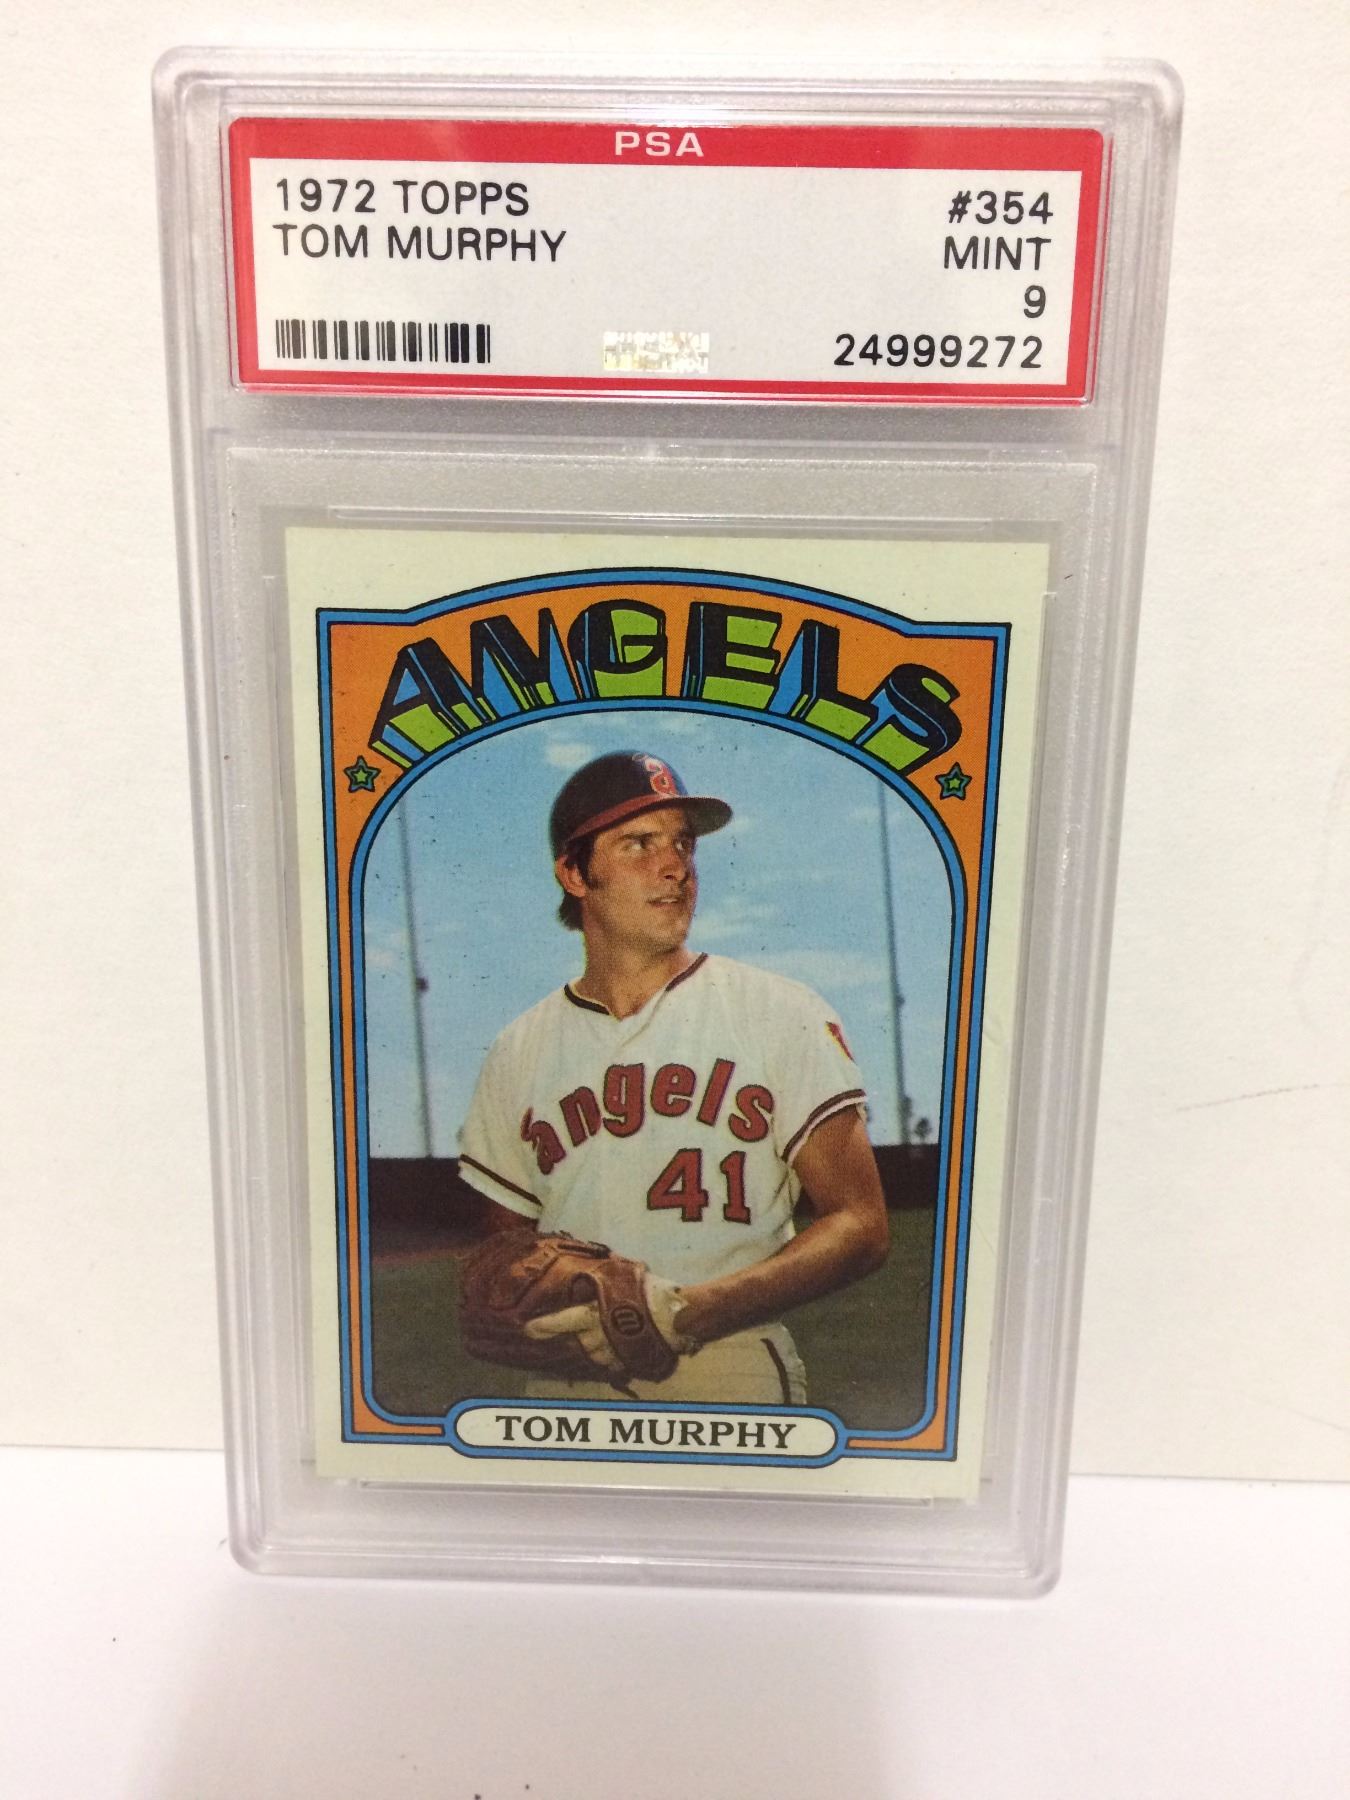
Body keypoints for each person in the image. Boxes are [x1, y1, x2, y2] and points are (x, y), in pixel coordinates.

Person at [455, 748, 889, 1403]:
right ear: (574, 873)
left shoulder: (781, 1012)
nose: (674, 866)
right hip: (570, 1382)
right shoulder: (519, 1049)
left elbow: (860, 1223)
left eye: (682, 843)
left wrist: (685, 1312)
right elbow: (506, 1253)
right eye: (638, 844)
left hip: (729, 1362)